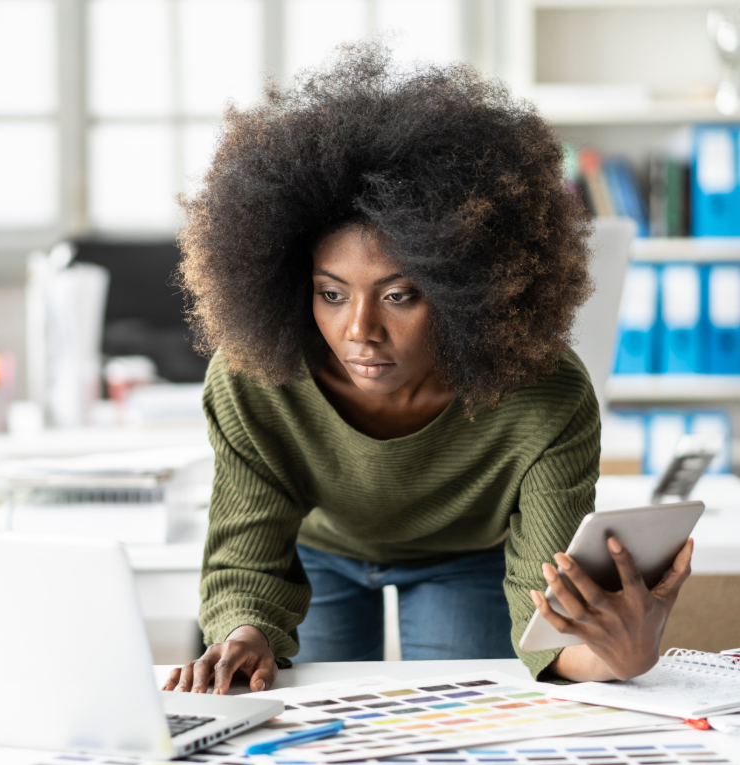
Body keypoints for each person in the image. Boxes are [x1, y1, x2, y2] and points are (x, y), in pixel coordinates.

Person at [163, 45, 693, 695]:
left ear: (466, 288)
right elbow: (246, 561)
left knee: (468, 722)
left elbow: (548, 631)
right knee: (314, 729)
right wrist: (243, 635)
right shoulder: (256, 374)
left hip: (463, 557)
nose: (358, 330)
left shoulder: (543, 396)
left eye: (399, 295)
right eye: (331, 293)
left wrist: (622, 655)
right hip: (322, 549)